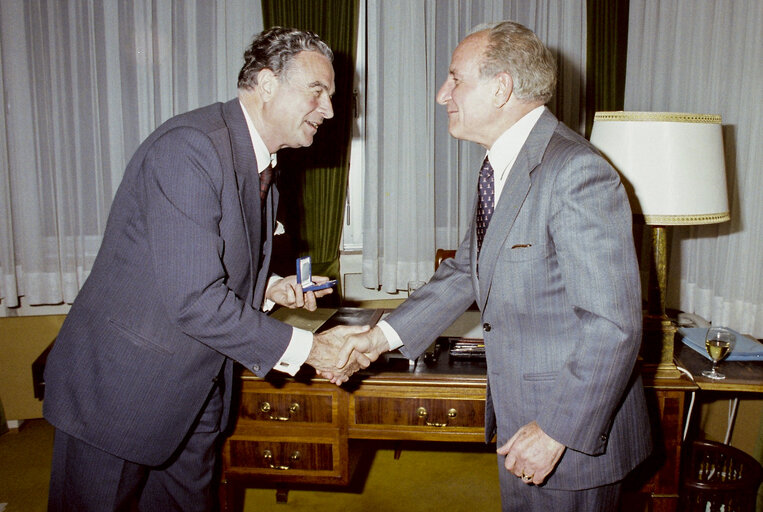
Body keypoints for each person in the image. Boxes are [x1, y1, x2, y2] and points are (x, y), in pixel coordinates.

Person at [43, 26, 365, 511]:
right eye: (317, 92)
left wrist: (268, 289)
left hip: (194, 394)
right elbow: (194, 299)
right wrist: (312, 350)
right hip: (121, 394)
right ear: (266, 84)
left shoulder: (263, 166)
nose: (330, 110)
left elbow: (199, 267)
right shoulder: (190, 148)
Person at [335, 21, 652, 511]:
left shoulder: (575, 171)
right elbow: (466, 270)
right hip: (524, 419)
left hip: (568, 434)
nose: (443, 94)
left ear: (501, 87)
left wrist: (555, 431)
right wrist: (378, 340)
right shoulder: (502, 164)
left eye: (455, 79)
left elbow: (613, 326)